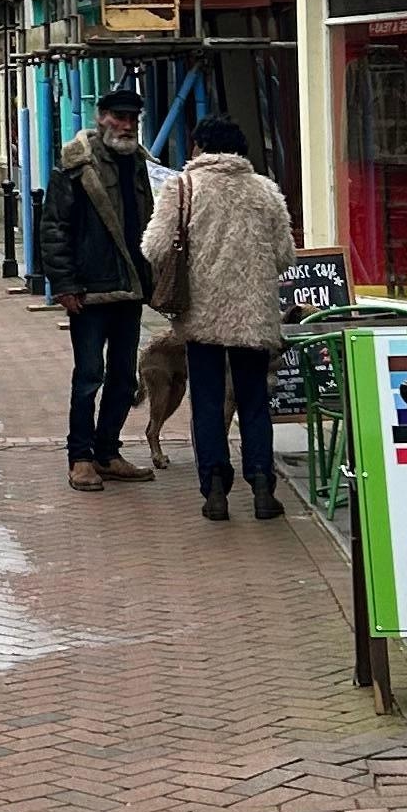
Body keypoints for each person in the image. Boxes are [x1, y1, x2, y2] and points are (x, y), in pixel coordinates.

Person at [145, 116, 301, 523]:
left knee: (209, 402)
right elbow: (286, 255)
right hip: (254, 314)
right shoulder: (266, 192)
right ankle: (263, 486)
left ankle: (215, 488)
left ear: (199, 147)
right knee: (253, 402)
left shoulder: (180, 188)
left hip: (202, 315)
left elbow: (155, 247)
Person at [37, 86, 154, 491]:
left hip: (129, 290)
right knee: (89, 375)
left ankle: (108, 452)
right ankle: (80, 457)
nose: (125, 126)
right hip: (89, 291)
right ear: (101, 116)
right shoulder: (75, 165)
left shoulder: (139, 164)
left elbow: (150, 223)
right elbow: (54, 228)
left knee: (123, 377)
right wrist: (65, 283)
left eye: (132, 120)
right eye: (118, 117)